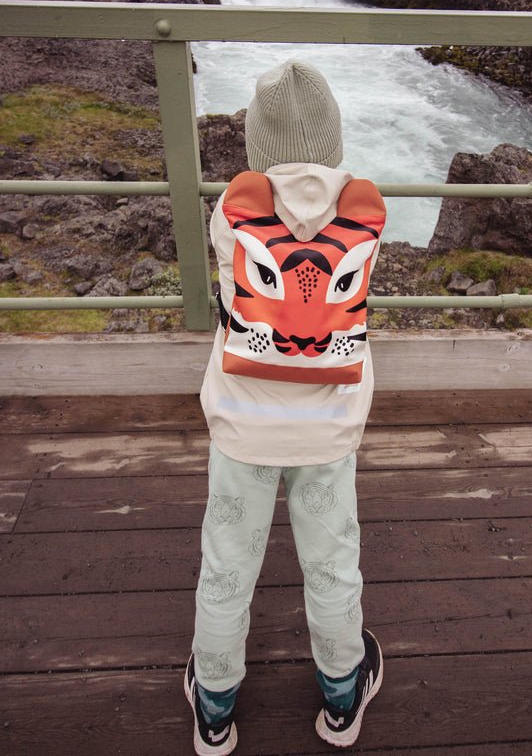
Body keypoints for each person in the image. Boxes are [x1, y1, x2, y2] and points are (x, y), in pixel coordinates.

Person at [185, 58, 385, 755]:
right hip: (328, 427)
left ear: (256, 146)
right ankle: (339, 697)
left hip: (244, 424)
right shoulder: (365, 209)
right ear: (333, 139)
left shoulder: (231, 213)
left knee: (227, 563)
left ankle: (214, 706)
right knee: (331, 562)